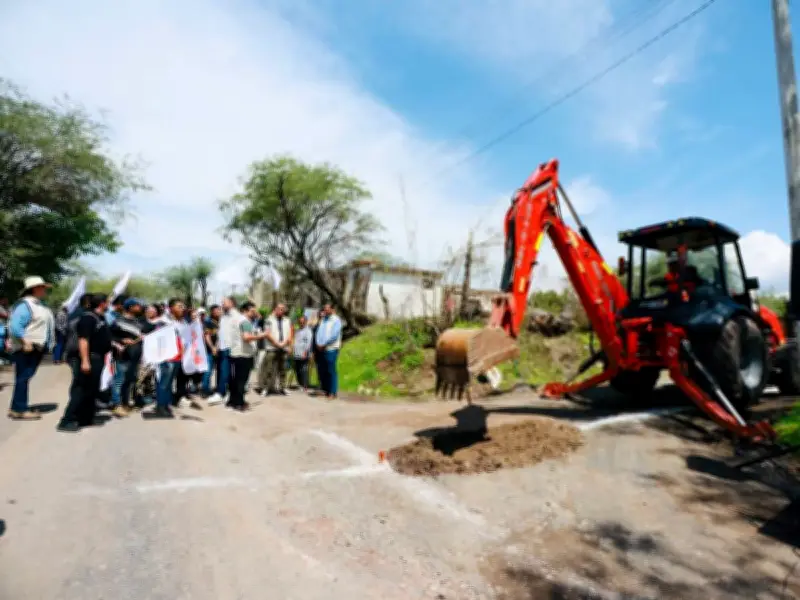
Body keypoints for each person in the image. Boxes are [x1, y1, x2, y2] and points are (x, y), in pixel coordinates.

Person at [57, 293, 112, 432]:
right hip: (89, 358)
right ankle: (67, 420)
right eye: (107, 302)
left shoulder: (100, 318)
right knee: (80, 389)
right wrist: (85, 361)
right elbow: (83, 340)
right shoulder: (88, 318)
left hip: (98, 358)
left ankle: (85, 418)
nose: (109, 304)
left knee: (91, 390)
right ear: (102, 303)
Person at [7, 276, 55, 420]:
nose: (45, 290)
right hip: (27, 347)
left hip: (36, 346)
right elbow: (15, 326)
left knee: (24, 377)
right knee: (23, 377)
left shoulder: (39, 305)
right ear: (35, 289)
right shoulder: (25, 305)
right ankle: (19, 409)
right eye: (42, 287)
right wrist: (25, 341)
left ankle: (17, 406)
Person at [109, 298, 145, 417]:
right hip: (122, 356)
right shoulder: (118, 321)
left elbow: (138, 337)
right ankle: (116, 405)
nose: (140, 307)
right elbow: (110, 337)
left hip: (135, 356)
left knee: (129, 381)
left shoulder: (138, 322)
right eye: (138, 305)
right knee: (119, 380)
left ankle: (125, 403)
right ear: (130, 307)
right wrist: (122, 340)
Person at [152, 298, 186, 419]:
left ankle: (166, 404)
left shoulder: (180, 322)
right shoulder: (163, 321)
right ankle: (161, 406)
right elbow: (159, 338)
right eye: (179, 306)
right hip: (167, 358)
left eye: (183, 306)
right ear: (171, 308)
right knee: (164, 383)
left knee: (170, 383)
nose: (182, 309)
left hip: (177, 357)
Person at [227, 301, 262, 411]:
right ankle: (239, 403)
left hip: (235, 353)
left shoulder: (235, 320)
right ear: (245, 310)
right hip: (244, 354)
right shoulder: (245, 322)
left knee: (235, 379)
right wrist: (262, 335)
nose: (254, 313)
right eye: (252, 311)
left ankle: (232, 401)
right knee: (242, 380)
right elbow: (246, 337)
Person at [259, 303, 292, 396]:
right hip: (272, 347)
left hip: (284, 347)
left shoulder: (287, 320)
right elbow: (267, 334)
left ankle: (283, 387)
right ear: (275, 309)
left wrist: (286, 344)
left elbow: (289, 334)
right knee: (268, 368)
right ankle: (265, 388)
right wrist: (277, 343)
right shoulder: (269, 320)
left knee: (283, 369)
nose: (281, 311)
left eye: (283, 309)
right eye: (279, 309)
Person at [314, 303, 342, 400]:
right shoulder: (323, 320)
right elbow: (319, 332)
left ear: (332, 310)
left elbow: (334, 335)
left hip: (331, 348)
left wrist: (324, 344)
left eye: (327, 309)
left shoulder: (336, 320)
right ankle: (326, 389)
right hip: (322, 349)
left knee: (331, 370)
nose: (325, 311)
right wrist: (318, 343)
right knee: (323, 370)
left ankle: (332, 392)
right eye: (324, 309)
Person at [215, 296, 235, 403]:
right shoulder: (223, 317)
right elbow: (220, 333)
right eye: (221, 302)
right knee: (223, 371)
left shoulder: (236, 317)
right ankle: (221, 393)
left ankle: (229, 393)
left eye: (224, 302)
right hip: (222, 348)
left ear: (231, 303)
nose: (222, 304)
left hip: (231, 348)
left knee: (231, 373)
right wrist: (217, 345)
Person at [201, 305, 223, 404]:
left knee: (220, 370)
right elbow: (207, 336)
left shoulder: (222, 321)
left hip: (221, 350)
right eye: (216, 310)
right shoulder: (208, 321)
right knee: (208, 370)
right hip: (209, 350)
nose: (219, 312)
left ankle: (218, 389)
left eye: (219, 310)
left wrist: (217, 347)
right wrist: (212, 347)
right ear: (212, 312)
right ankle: (205, 390)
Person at [292, 315, 313, 392]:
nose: (301, 323)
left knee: (303, 369)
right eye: (300, 322)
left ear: (305, 322)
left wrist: (306, 351)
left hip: (303, 352)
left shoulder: (308, 331)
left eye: (303, 322)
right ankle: (300, 384)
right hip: (296, 352)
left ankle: (305, 385)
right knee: (297, 369)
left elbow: (308, 342)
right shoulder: (298, 330)